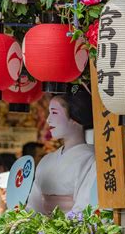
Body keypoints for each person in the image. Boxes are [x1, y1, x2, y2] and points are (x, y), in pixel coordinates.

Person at [27, 84, 96, 214]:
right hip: (40, 232)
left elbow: (83, 209)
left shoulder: (93, 160)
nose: (48, 120)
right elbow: (32, 207)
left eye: (54, 112)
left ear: (75, 116)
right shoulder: (46, 161)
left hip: (74, 230)